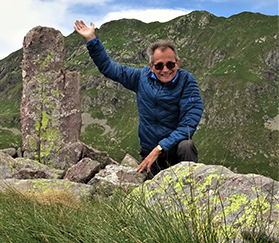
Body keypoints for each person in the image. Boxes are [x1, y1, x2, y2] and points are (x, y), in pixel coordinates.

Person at [73, 20, 204, 176]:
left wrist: (160, 148)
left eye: (170, 64)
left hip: (174, 150)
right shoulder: (141, 77)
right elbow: (110, 68)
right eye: (159, 66)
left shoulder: (187, 81)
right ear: (151, 66)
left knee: (187, 145)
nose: (165, 70)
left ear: (178, 63)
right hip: (149, 153)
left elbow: (188, 124)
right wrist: (92, 40)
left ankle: (191, 188)